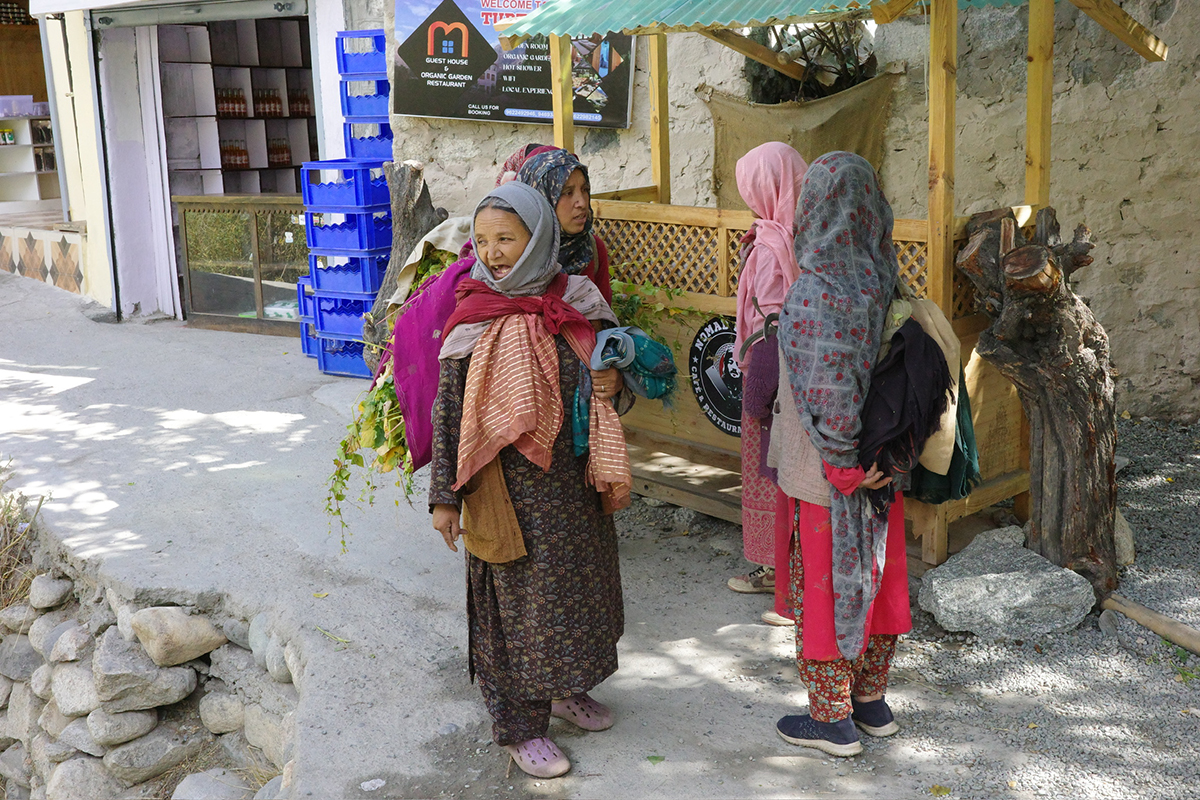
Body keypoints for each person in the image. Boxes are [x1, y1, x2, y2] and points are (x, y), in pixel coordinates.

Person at [428, 181, 632, 779]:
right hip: (504, 493)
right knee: (517, 611)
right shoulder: (473, 314)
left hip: (573, 487)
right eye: (483, 241)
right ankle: (520, 726)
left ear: (538, 237)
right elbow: (448, 411)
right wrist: (445, 499)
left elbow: (610, 374)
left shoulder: (577, 299)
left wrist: (614, 387)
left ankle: (567, 689)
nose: (492, 253)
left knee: (581, 594)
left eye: (507, 240)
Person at [771, 152, 914, 757]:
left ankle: (831, 720)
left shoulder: (814, 293)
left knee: (828, 586)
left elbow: (829, 389)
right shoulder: (885, 277)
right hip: (887, 465)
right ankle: (871, 703)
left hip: (835, 475)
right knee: (878, 578)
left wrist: (841, 465)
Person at [727, 143, 808, 630]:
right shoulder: (809, 235)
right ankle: (789, 570)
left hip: (772, 370)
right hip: (807, 373)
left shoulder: (772, 244)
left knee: (771, 470)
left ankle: (781, 574)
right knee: (791, 470)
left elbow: (770, 317)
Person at [516, 148, 613, 303]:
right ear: (541, 197)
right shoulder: (515, 253)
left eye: (585, 190)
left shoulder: (591, 248)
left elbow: (604, 318)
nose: (581, 203)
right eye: (567, 192)